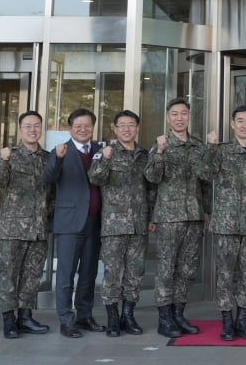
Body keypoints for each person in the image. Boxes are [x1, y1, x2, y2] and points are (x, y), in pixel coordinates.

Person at [198, 105, 246, 340]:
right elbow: (204, 173)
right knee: (226, 276)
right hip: (225, 224)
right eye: (239, 120)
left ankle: (243, 320)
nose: (244, 125)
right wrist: (210, 148)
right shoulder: (220, 151)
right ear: (233, 124)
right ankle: (227, 322)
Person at [145, 97, 211, 337]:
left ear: (189, 116)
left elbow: (206, 183)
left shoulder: (198, 146)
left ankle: (179, 315)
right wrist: (160, 152)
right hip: (168, 217)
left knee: (187, 269)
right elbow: (151, 178)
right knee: (166, 267)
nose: (179, 118)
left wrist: (206, 211)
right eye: (174, 114)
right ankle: (164, 319)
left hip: (193, 215)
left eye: (183, 113)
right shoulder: (160, 145)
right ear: (167, 117)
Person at [0, 110, 54, 339]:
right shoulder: (9, 155)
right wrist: (1, 158)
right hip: (12, 229)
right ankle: (8, 320)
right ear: (20, 129)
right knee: (9, 276)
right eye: (27, 126)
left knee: (32, 276)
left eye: (36, 125)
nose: (32, 129)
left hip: (38, 229)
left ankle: (25, 316)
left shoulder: (47, 158)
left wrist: (49, 218)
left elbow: (52, 193)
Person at [87, 110, 154, 337]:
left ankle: (128, 315)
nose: (127, 129)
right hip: (114, 225)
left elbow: (152, 189)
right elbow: (95, 178)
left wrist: (151, 217)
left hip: (138, 225)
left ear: (137, 128)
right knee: (113, 274)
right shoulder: (105, 153)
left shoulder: (144, 156)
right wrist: (105, 158)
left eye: (131, 125)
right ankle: (113, 318)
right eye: (122, 125)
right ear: (115, 129)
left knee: (135, 273)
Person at [44, 108, 104, 338]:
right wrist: (57, 159)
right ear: (70, 128)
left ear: (93, 127)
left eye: (87, 125)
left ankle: (85, 315)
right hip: (69, 222)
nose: (83, 129)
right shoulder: (60, 151)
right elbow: (49, 178)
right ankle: (66, 319)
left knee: (89, 273)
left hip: (94, 221)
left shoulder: (99, 151)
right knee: (66, 274)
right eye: (78, 126)